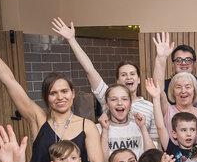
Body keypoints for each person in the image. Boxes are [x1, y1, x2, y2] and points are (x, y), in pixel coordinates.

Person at [0, 23, 104, 162]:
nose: (60, 97)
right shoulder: (38, 118)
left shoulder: (87, 126)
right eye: (53, 93)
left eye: (64, 91)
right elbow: (9, 81)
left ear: (72, 94)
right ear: (46, 98)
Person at [51, 18, 160, 148]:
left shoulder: (149, 106)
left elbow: (155, 142)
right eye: (123, 75)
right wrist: (71, 40)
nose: (128, 77)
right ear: (118, 81)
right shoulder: (107, 96)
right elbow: (90, 70)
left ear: (139, 79)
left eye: (132, 74)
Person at [152, 33, 197, 142]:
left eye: (188, 87)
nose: (183, 91)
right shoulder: (169, 110)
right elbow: (158, 91)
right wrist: (161, 58)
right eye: (178, 87)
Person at [97, 84, 155, 162]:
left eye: (124, 99)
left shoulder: (138, 128)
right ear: (107, 105)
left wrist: (143, 128)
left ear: (130, 104)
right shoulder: (98, 129)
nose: (119, 103)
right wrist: (104, 130)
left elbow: (152, 159)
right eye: (114, 99)